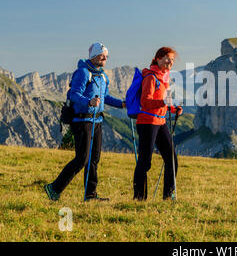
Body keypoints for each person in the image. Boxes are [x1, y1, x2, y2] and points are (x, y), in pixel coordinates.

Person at [44, 42, 126, 201]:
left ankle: (90, 194)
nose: (105, 58)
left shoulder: (103, 76)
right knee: (82, 159)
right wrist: (89, 102)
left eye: (106, 55)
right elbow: (74, 94)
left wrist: (121, 104)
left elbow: (105, 97)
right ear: (93, 55)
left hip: (97, 121)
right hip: (82, 121)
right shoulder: (82, 73)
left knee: (94, 159)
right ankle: (54, 188)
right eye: (102, 55)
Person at [133, 47, 183, 200]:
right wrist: (163, 102)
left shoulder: (164, 77)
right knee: (145, 162)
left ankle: (168, 196)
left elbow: (163, 102)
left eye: (173, 60)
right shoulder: (151, 77)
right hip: (147, 122)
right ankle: (139, 198)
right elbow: (145, 101)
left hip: (160, 122)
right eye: (167, 58)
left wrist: (174, 109)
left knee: (172, 159)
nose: (170, 62)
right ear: (158, 58)